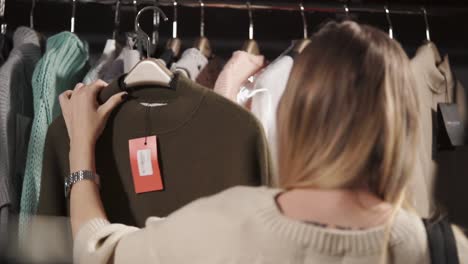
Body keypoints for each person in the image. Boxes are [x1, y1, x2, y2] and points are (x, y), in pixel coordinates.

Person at [58, 21, 468, 264]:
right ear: (404, 126)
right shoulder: (445, 250)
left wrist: (81, 148)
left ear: (294, 116)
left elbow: (99, 250)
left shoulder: (222, 225)